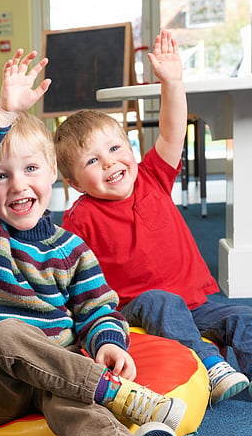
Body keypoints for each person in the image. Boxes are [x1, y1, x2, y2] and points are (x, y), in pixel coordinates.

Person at [0, 49, 184, 436]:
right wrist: (3, 114)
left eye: (31, 169)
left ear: (54, 174)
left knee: (66, 395)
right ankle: (119, 395)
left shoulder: (72, 248)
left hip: (56, 374)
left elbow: (97, 308)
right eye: (0, 177)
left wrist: (109, 341)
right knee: (11, 333)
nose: (17, 185)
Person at [56, 30, 250, 406]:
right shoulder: (79, 218)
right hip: (137, 308)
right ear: (74, 182)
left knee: (243, 316)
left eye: (114, 148)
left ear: (131, 148)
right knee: (162, 302)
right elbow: (67, 273)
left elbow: (172, 129)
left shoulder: (152, 176)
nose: (110, 162)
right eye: (93, 161)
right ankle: (210, 366)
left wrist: (172, 82)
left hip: (199, 299)